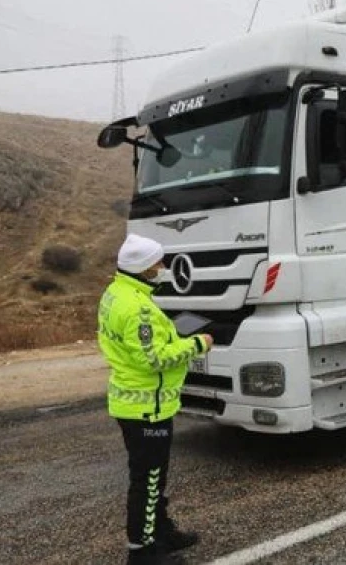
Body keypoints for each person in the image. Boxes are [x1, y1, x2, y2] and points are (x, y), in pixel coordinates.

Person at [98, 233, 213, 564]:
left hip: (136, 402)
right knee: (147, 479)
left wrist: (172, 335)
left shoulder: (117, 293)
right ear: (143, 268)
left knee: (153, 476)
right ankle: (142, 551)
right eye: (158, 264)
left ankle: (161, 531)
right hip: (146, 406)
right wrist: (196, 344)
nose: (162, 268)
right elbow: (154, 359)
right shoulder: (138, 309)